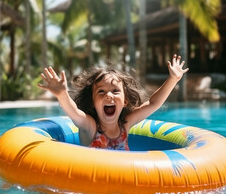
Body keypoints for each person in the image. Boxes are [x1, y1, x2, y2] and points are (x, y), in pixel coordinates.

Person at [38, 54, 189, 150]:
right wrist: (62, 94)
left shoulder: (125, 124)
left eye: (115, 91)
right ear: (92, 102)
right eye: (101, 92)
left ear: (125, 101)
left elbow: (152, 104)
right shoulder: (90, 126)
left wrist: (173, 79)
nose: (109, 95)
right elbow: (74, 113)